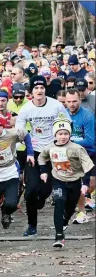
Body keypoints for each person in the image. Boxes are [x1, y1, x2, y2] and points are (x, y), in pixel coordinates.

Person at [15, 75, 70, 236]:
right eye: (36, 88)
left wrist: (61, 141)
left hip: (53, 151)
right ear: (31, 91)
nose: (39, 90)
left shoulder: (56, 106)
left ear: (45, 89)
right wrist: (24, 140)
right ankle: (32, 226)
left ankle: (40, 200)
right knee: (31, 189)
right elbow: (20, 131)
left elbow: (67, 124)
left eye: (41, 87)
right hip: (34, 151)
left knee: (45, 189)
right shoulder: (26, 108)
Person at [0, 106, 34, 250]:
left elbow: (26, 135)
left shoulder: (11, 133)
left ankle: (6, 212)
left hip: (10, 172)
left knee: (11, 203)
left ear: (4, 125)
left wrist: (30, 153)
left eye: (0, 125)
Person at [38, 115, 94, 248]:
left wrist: (85, 184)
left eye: (66, 133)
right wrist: (44, 171)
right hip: (58, 180)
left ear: (69, 134)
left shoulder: (77, 148)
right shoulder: (50, 147)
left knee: (69, 209)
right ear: (55, 134)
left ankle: (65, 220)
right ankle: (59, 236)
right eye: (60, 134)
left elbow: (89, 165)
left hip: (75, 181)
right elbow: (42, 157)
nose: (63, 136)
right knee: (59, 202)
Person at [65, 89, 95, 224]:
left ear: (80, 100)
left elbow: (89, 141)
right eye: (69, 102)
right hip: (71, 155)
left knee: (90, 185)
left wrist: (69, 142)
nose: (71, 104)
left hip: (89, 152)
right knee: (78, 184)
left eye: (74, 101)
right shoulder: (62, 115)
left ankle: (90, 197)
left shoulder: (87, 116)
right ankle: (81, 212)